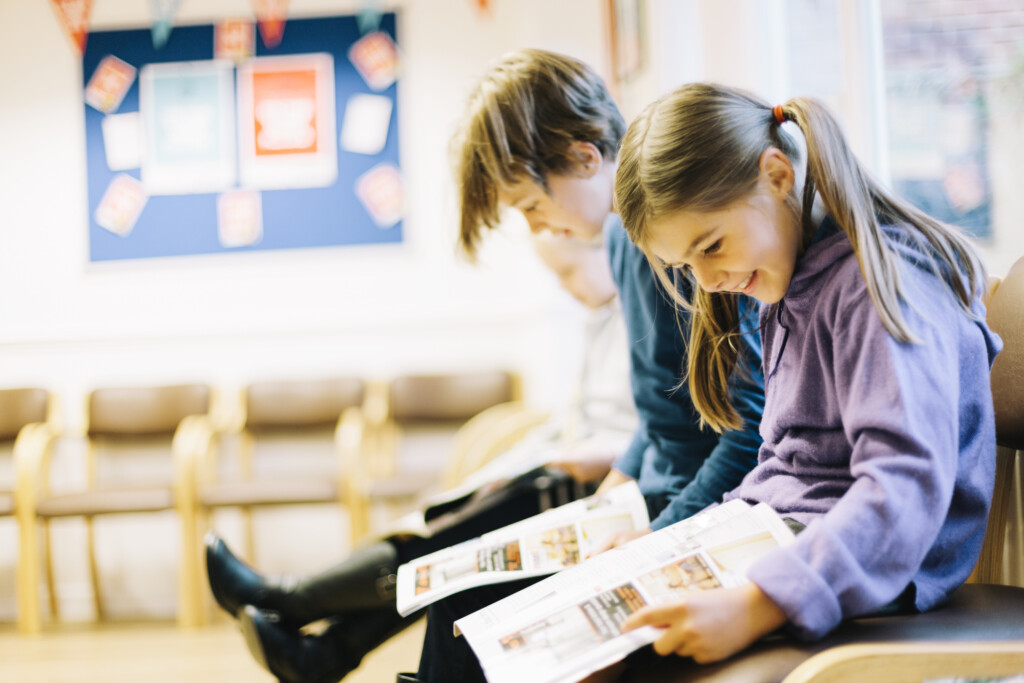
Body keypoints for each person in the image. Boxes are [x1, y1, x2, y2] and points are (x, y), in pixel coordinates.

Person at [610, 82, 1001, 665]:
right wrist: (674, 543)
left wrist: (757, 604)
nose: (708, 280)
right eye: (685, 266)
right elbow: (786, 467)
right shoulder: (789, 282)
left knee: (619, 653)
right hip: (784, 535)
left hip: (858, 566)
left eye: (711, 245)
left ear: (777, 175)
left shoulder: (876, 288)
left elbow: (902, 489)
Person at [410, 50, 765, 683]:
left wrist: (657, 532)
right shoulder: (625, 239)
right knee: (458, 596)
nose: (535, 225)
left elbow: (744, 428)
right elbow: (666, 411)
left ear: (583, 157)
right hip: (656, 503)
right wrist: (620, 481)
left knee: (467, 615)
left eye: (527, 205)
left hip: (690, 511)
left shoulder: (678, 246)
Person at [203, 231, 638, 683]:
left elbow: (657, 430)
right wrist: (500, 470)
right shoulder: (603, 318)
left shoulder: (641, 317)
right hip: (569, 476)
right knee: (446, 518)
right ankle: (317, 640)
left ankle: (302, 617)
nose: (564, 286)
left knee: (450, 545)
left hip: (600, 486)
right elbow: (572, 419)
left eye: (567, 271)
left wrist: (603, 453)